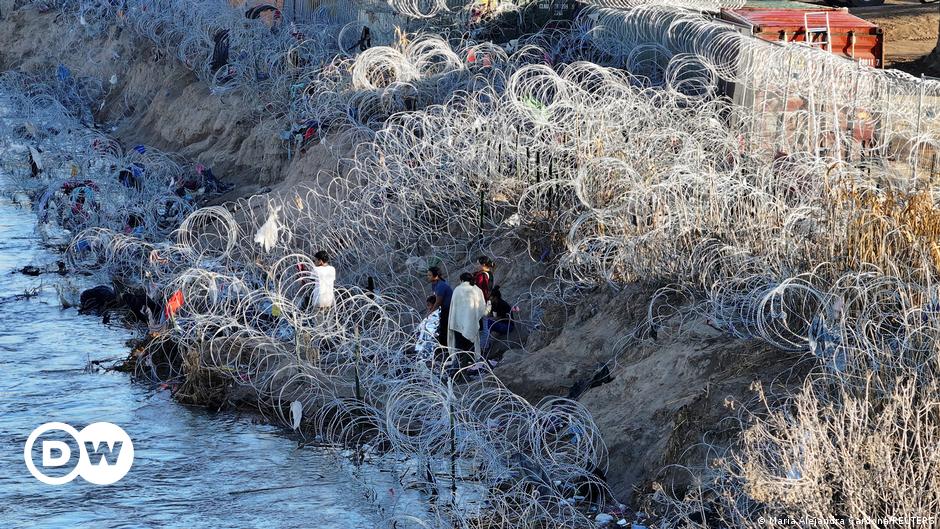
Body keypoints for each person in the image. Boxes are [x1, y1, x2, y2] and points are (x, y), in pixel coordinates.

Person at [447, 272, 487, 369]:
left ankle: (460, 367)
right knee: (470, 345)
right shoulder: (477, 290)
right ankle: (469, 363)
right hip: (471, 323)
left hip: (457, 323)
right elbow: (482, 308)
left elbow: (453, 307)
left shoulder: (457, 290)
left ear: (461, 280)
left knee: (459, 346)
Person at [482, 286, 514, 354]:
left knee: (488, 323)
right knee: (486, 322)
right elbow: (492, 314)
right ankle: (485, 343)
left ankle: (486, 346)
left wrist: (489, 319)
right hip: (501, 323)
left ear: (495, 297)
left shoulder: (502, 304)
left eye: (491, 297)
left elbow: (500, 317)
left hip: (508, 326)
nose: (489, 298)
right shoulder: (494, 303)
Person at [427, 267, 452, 347]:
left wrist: (431, 312)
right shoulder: (435, 284)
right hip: (443, 308)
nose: (428, 277)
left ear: (436, 276)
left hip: (448, 309)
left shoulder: (441, 286)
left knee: (444, 329)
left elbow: (438, 301)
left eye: (430, 275)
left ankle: (445, 348)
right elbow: (435, 297)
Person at [414, 295, 440, 360]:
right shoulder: (433, 313)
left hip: (429, 337)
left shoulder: (436, 314)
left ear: (434, 304)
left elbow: (431, 329)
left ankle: (423, 356)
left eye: (429, 305)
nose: (428, 307)